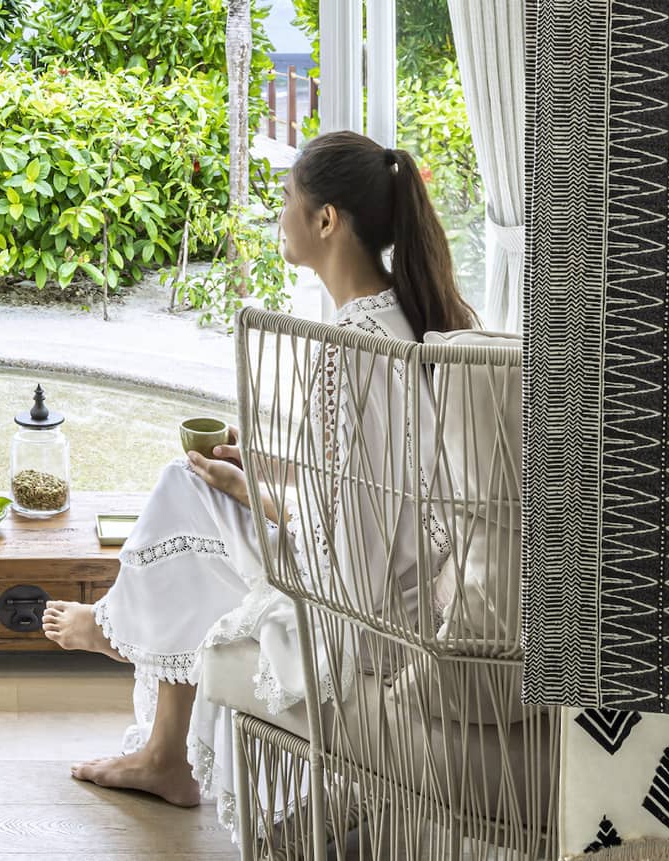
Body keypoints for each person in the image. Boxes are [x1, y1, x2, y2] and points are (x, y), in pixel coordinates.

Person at [41, 130, 478, 827]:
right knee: (191, 487)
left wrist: (255, 494)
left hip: (362, 615)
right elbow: (375, 498)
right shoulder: (397, 319)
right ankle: (158, 740)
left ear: (326, 220)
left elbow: (346, 561)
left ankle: (128, 663)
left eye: (286, 200)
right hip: (404, 587)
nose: (278, 215)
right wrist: (269, 472)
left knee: (186, 495)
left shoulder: (348, 352)